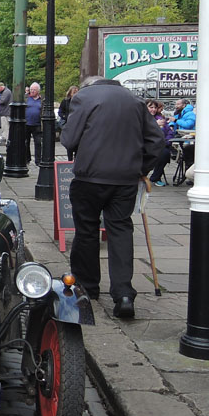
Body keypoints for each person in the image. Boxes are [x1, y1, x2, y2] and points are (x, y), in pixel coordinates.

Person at [60, 76, 165, 319]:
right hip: (125, 179)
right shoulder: (135, 100)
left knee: (86, 230)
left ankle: (86, 286)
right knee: (120, 231)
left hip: (89, 178)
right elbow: (156, 141)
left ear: (89, 85)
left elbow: (68, 139)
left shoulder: (83, 97)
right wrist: (142, 168)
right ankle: (124, 294)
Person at [145, 99, 174, 186]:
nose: (153, 109)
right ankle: (142, 176)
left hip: (161, 145)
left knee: (165, 153)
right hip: (146, 146)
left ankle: (155, 177)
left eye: (155, 107)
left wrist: (166, 141)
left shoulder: (161, 118)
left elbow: (170, 132)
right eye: (151, 107)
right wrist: (154, 124)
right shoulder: (141, 118)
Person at [59, 85, 79, 160]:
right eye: (74, 92)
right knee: (69, 142)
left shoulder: (80, 101)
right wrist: (65, 117)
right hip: (68, 123)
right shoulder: (65, 101)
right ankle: (69, 159)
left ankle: (76, 158)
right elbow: (60, 112)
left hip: (77, 123)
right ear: (70, 93)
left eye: (77, 92)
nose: (75, 94)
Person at [25, 82, 43, 165]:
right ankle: (27, 159)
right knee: (25, 142)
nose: (32, 91)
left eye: (34, 90)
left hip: (37, 124)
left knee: (38, 143)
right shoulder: (26, 98)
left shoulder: (42, 100)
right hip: (26, 123)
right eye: (31, 89)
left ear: (38, 91)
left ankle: (38, 160)